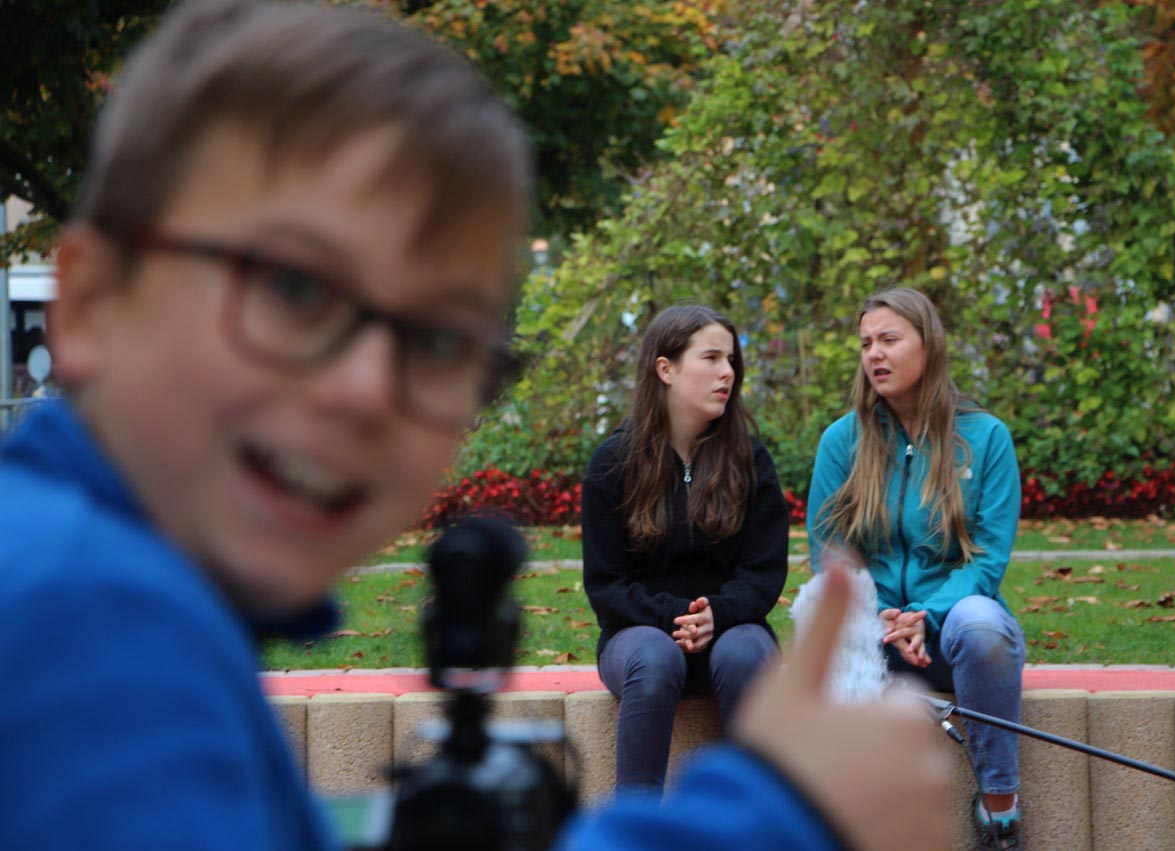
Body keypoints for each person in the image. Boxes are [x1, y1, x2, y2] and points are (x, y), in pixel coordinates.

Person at [0, 3, 955, 850]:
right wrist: (775, 814)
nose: (368, 391)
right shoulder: (78, 616)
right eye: (293, 290)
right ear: (88, 306)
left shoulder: (146, 606)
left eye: (439, 343)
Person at [806, 287, 1027, 851]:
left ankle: (1000, 810)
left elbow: (987, 559)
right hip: (874, 637)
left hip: (951, 633)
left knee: (983, 626)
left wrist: (926, 615)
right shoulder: (841, 441)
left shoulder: (986, 438)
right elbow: (831, 557)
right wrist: (882, 616)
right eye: (865, 343)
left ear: (929, 345)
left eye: (889, 339)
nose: (874, 354)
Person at [581, 304, 787, 792]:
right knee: (655, 659)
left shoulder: (749, 459)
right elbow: (606, 585)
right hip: (638, 636)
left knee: (743, 656)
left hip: (735, 629)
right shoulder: (614, 462)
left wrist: (718, 613)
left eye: (731, 360)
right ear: (666, 369)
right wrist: (677, 616)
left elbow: (763, 572)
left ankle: (750, 819)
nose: (727, 372)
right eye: (711, 358)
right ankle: (636, 823)